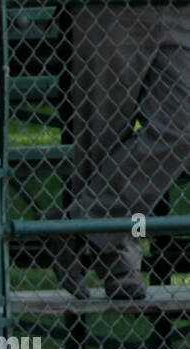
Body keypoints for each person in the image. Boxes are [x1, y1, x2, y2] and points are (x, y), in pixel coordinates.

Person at [52, 7, 190, 300]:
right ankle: (118, 266)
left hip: (181, 10)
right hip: (108, 9)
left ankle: (80, 222)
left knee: (182, 127)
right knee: (102, 136)